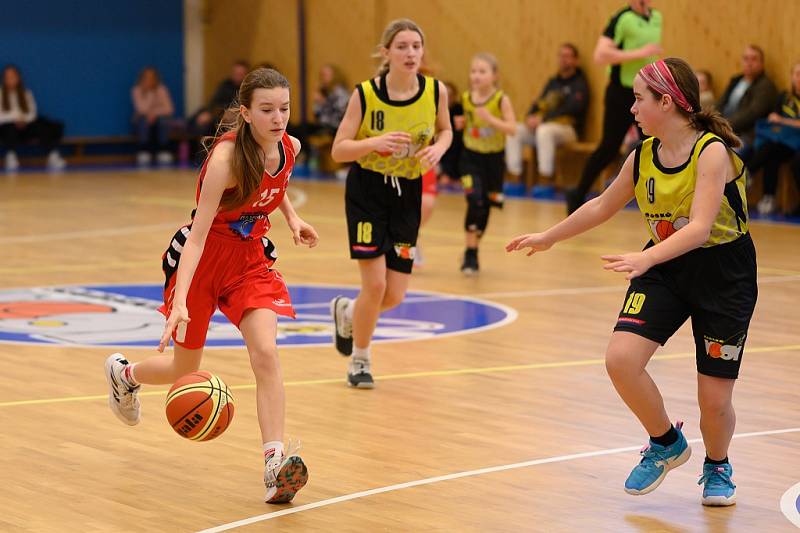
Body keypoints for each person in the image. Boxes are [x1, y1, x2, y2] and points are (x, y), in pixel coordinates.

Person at [507, 58, 756, 507]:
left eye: (640, 98)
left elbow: (699, 228)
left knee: (714, 403)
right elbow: (602, 205)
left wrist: (644, 258)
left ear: (667, 101)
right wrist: (549, 236)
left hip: (723, 274)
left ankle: (717, 464)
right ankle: (664, 443)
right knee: (621, 359)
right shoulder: (642, 155)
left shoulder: (711, 151)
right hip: (664, 266)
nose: (632, 108)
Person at [104, 68, 318, 504]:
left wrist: (292, 219)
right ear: (246, 113)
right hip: (202, 261)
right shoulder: (224, 162)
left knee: (266, 354)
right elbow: (197, 236)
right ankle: (125, 376)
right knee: (184, 370)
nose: (279, 118)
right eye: (267, 110)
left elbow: (275, 186)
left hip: (248, 260)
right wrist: (180, 300)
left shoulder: (289, 147)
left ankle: (274, 464)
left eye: (285, 108)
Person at [328, 18, 452, 388]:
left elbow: (446, 129)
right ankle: (360, 361)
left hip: (407, 192)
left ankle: (348, 311)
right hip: (368, 191)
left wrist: (439, 148)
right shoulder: (366, 94)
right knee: (376, 286)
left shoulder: (435, 91)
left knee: (395, 295)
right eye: (402, 46)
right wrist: (373, 143)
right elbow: (338, 149)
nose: (411, 53)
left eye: (416, 46)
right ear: (387, 53)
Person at [566, 0, 663, 214]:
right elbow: (600, 56)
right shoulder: (622, 19)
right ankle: (578, 193)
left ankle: (659, 198)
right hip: (621, 93)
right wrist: (640, 53)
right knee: (609, 147)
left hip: (647, 92)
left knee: (653, 144)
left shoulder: (656, 18)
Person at [458, 53, 517, 275]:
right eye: (473, 71)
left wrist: (491, 119)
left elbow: (512, 129)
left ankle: (474, 245)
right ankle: (470, 253)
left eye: (482, 71)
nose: (476, 76)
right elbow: (466, 124)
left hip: (493, 161)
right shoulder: (466, 98)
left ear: (494, 76)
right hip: (470, 158)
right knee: (474, 200)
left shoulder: (501, 99)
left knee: (486, 207)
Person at [505, 43, 589, 182]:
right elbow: (539, 102)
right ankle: (514, 178)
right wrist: (530, 117)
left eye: (568, 56)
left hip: (568, 130)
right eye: (561, 56)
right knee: (515, 131)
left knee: (544, 131)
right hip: (544, 127)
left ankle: (545, 180)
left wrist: (543, 119)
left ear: (576, 60)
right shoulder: (553, 82)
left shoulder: (580, 84)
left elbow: (574, 108)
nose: (563, 59)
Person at [747, 61, 800, 215]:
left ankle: (747, 173)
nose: (799, 78)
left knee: (771, 149)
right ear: (792, 77)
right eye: (797, 74)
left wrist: (784, 121)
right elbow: (772, 118)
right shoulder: (784, 96)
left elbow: (780, 120)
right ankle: (768, 197)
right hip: (780, 141)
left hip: (795, 143)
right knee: (772, 154)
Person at [0, 64, 66, 171]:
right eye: (8, 77)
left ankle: (52, 155)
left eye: (13, 76)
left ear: (18, 78)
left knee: (41, 126)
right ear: (4, 79)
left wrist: (24, 120)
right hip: (7, 128)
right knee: (9, 128)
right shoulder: (0, 94)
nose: (10, 79)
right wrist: (15, 118)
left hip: (25, 126)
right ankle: (11, 156)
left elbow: (32, 113)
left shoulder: (26, 93)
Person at [717, 45, 778, 155]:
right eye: (746, 59)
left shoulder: (766, 86)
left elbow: (752, 114)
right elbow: (720, 104)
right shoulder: (735, 80)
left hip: (746, 135)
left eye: (754, 59)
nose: (749, 63)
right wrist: (712, 122)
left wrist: (722, 127)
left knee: (722, 156)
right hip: (723, 129)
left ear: (762, 63)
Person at [188, 60, 250, 139]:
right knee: (195, 117)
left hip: (229, 115)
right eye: (235, 73)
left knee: (207, 127)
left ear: (246, 74)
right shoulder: (226, 84)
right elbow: (214, 100)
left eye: (240, 74)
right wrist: (208, 112)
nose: (237, 76)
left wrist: (214, 114)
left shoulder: (246, 89)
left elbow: (238, 106)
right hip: (216, 111)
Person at [131, 66, 175, 166]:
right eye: (146, 78)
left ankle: (163, 149)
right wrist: (150, 93)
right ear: (141, 78)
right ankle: (144, 149)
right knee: (143, 120)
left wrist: (154, 114)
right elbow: (141, 109)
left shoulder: (162, 89)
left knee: (163, 120)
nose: (149, 80)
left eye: (152, 78)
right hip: (143, 119)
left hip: (159, 119)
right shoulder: (136, 90)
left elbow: (169, 109)